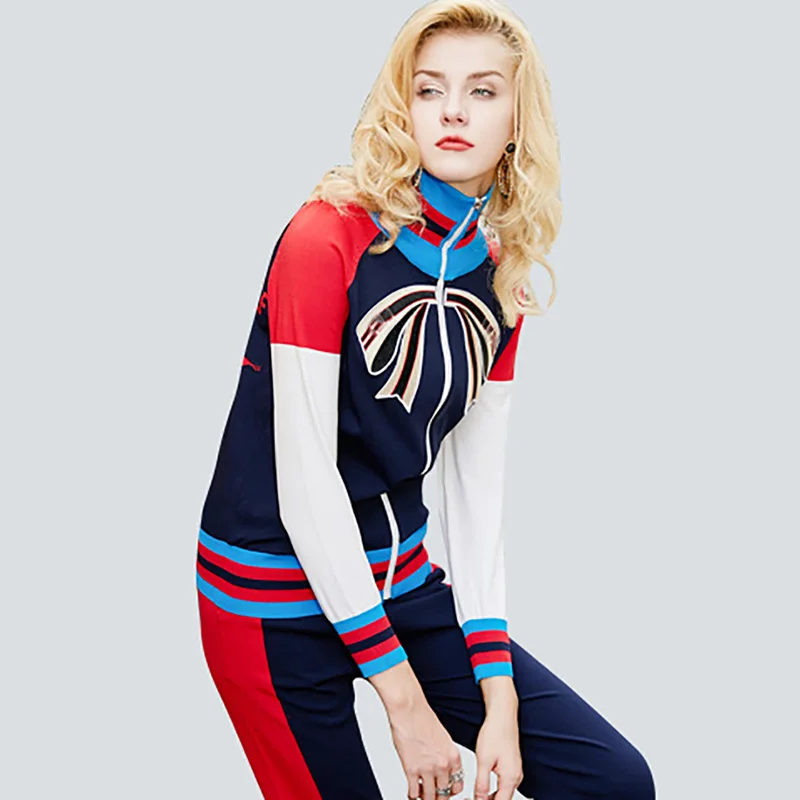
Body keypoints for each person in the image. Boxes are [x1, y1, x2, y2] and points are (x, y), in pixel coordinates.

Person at [195, 1, 655, 798]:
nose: (453, 111)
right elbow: (306, 486)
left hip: (399, 582)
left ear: (518, 120)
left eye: (483, 91)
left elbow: (475, 497)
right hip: (270, 597)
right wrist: (405, 705)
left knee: (615, 782)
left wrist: (499, 696)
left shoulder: (501, 274)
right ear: (401, 105)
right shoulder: (326, 237)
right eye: (429, 88)